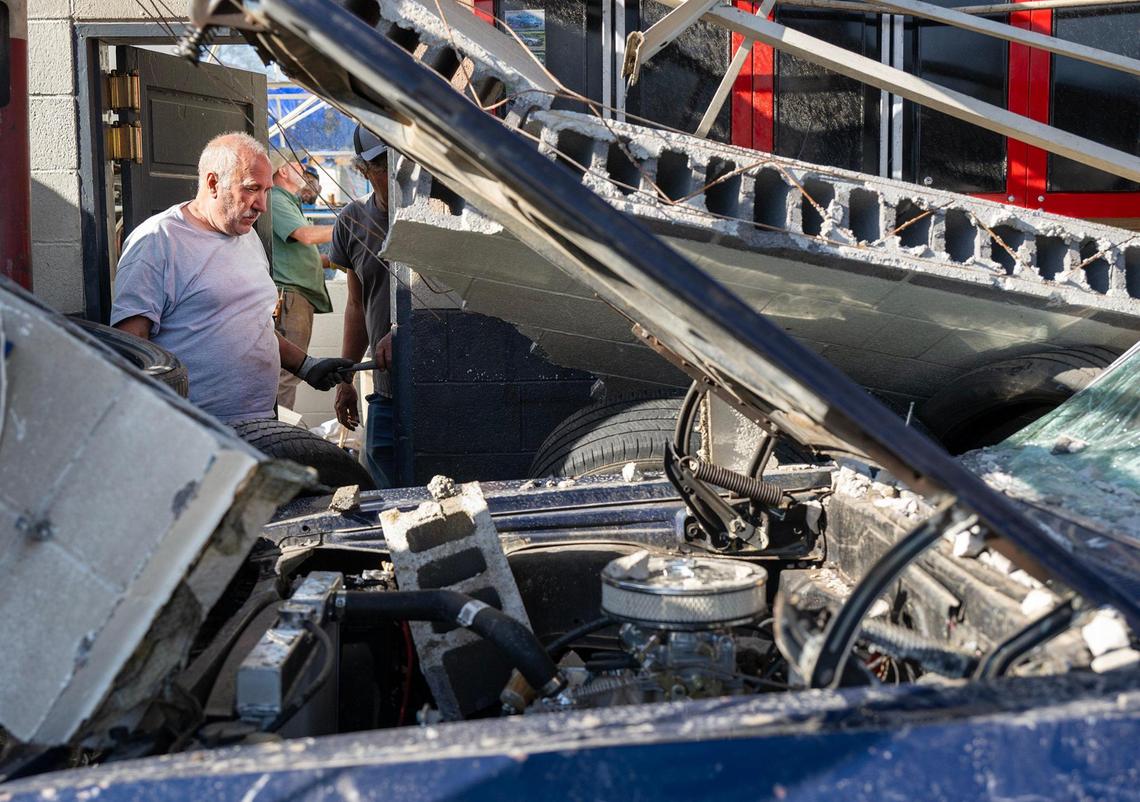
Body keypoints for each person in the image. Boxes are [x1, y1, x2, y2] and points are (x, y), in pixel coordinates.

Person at [111, 132, 354, 423]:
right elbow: (130, 345)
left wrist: (306, 365)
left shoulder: (247, 236)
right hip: (197, 429)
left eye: (266, 191)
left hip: (259, 423)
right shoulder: (158, 240)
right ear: (213, 183)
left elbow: (253, 324)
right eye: (252, 189)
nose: (262, 205)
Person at [332, 124, 397, 487]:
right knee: (382, 494)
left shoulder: (444, 214)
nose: (394, 172)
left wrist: (405, 333)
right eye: (383, 164)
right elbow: (356, 306)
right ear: (363, 171)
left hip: (439, 389)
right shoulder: (351, 221)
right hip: (386, 391)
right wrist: (346, 378)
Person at [268, 152, 335, 410]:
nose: (304, 169)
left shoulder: (288, 202)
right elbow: (306, 236)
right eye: (298, 164)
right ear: (283, 171)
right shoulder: (275, 198)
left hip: (296, 297)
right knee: (286, 376)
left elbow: (299, 256)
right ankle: (281, 437)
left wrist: (333, 260)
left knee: (289, 377)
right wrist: (351, 226)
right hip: (289, 297)